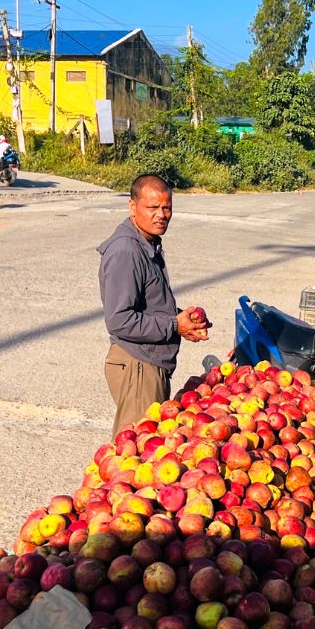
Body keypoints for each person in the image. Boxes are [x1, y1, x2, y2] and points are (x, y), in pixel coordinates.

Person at [98, 174, 211, 436]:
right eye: (152, 208)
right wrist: (174, 325)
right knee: (134, 455)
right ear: (132, 207)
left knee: (147, 450)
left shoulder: (146, 242)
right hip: (138, 366)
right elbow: (119, 320)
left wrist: (183, 319)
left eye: (166, 207)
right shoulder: (126, 250)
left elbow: (147, 305)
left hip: (148, 364)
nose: (161, 215)